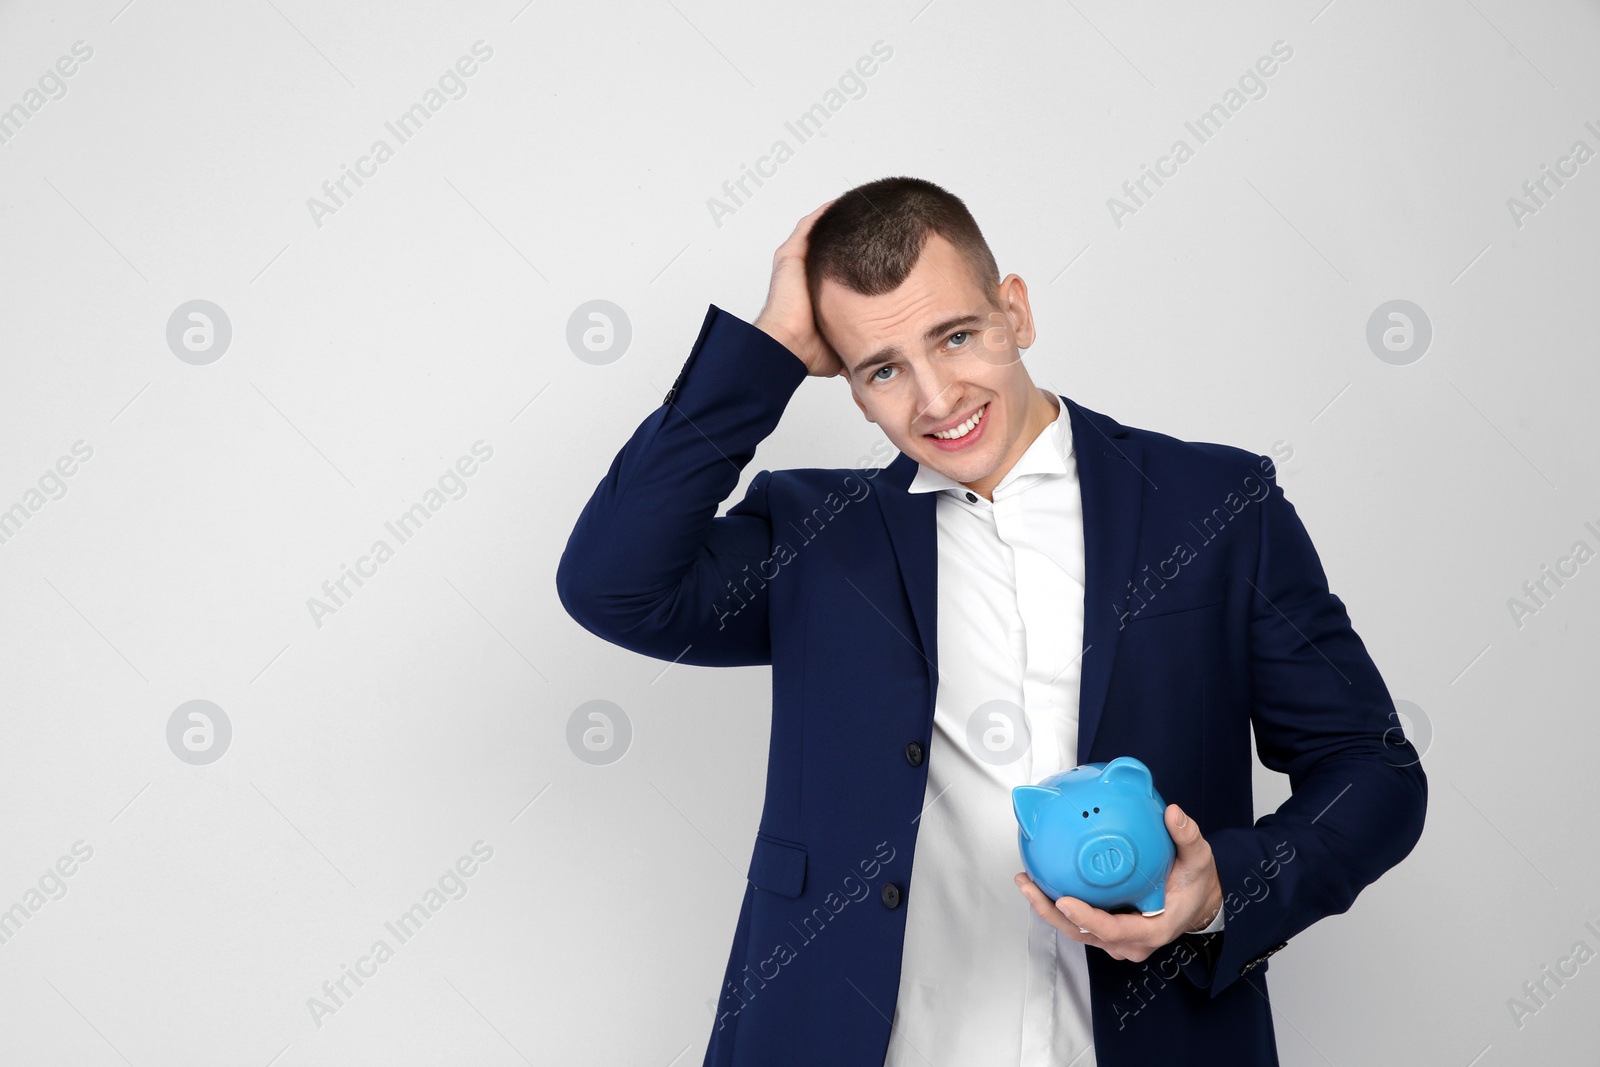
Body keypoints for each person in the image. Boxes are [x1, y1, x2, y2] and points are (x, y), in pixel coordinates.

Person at [556, 177, 1427, 1066]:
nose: (935, 399)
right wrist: (767, 350)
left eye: (957, 336)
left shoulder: (1213, 505)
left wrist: (1219, 894)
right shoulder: (816, 537)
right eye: (884, 368)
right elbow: (613, 584)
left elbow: (1374, 771)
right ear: (852, 390)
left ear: (1015, 311)